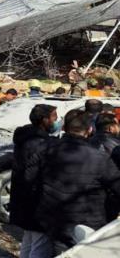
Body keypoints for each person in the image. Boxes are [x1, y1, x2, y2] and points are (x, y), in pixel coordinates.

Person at [36, 112, 120, 254]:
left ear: (64, 127)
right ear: (89, 130)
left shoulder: (47, 149)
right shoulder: (99, 158)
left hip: (55, 218)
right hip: (88, 224)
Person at [9, 104, 59, 258]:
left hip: (23, 196)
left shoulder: (26, 136)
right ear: (44, 120)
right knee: (40, 242)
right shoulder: (40, 143)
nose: (57, 121)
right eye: (54, 117)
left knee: (29, 239)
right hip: (36, 199)